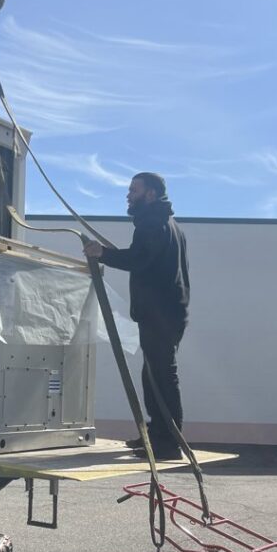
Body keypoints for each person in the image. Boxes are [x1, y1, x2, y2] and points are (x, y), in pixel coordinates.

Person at [85, 172, 189, 461]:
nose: (128, 195)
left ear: (151, 194)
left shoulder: (151, 221)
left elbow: (139, 259)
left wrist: (101, 254)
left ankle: (167, 444)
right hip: (169, 312)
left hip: (160, 312)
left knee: (161, 378)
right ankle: (157, 437)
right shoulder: (169, 224)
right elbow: (147, 258)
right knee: (154, 375)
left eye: (134, 190)